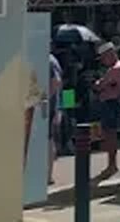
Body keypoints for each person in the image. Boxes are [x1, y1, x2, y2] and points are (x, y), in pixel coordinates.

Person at [94, 42, 120, 176]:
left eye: (103, 57)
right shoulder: (112, 69)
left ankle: (112, 165)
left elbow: (99, 86)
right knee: (108, 135)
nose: (102, 61)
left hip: (110, 104)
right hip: (108, 103)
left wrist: (99, 83)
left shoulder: (116, 69)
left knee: (111, 135)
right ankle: (111, 164)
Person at [49, 49, 64, 185]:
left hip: (55, 103)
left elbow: (56, 82)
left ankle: (48, 175)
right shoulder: (56, 60)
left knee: (49, 138)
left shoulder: (49, 61)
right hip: (63, 98)